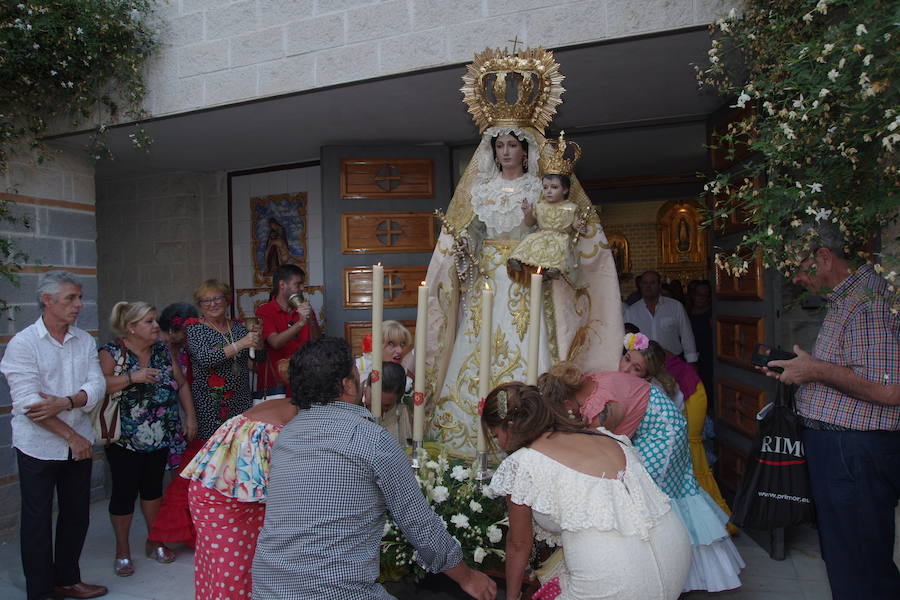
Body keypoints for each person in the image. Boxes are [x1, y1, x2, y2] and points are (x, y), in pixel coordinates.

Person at [425, 47, 623, 458]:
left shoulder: (543, 187)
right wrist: (462, 259)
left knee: (532, 344)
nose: (506, 152)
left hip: (529, 279)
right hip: (488, 281)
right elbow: (459, 242)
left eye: (513, 145)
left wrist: (549, 248)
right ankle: (474, 436)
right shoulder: (479, 191)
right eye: (500, 146)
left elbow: (569, 229)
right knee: (478, 344)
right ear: (491, 150)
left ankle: (535, 428)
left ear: (526, 149)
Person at [252, 337, 496, 600]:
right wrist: (467, 577)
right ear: (347, 385)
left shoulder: (286, 436)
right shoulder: (369, 439)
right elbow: (418, 522)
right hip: (338, 593)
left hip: (269, 588)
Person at [763, 225, 900, 599]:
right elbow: (852, 369)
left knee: (859, 563)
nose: (796, 277)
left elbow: (889, 390)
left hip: (855, 451)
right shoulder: (847, 300)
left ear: (825, 257)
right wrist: (799, 369)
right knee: (849, 557)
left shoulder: (868, 301)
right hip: (843, 449)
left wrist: (814, 370)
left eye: (801, 266)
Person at [483, 382, 691, 599]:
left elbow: (518, 544)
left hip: (617, 581)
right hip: (676, 557)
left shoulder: (522, 463)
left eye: (497, 436)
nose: (499, 444)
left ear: (511, 425)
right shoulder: (604, 436)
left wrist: (511, 597)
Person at [0, 270, 108, 600]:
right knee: (37, 519)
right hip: (39, 445)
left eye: (79, 297)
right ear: (48, 301)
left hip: (78, 440)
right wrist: (71, 435)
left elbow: (98, 385)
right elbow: (30, 404)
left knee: (76, 514)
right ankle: (40, 591)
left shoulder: (85, 340)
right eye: (71, 298)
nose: (79, 304)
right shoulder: (23, 344)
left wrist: (67, 401)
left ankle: (67, 579)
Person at [613, 338, 744, 592]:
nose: (627, 369)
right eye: (627, 359)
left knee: (659, 499)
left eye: (636, 368)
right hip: (658, 440)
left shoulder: (642, 390)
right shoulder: (630, 383)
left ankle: (673, 572)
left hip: (664, 443)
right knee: (667, 498)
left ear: (647, 375)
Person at [147, 279, 260, 549]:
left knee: (235, 460)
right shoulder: (194, 329)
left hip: (240, 399)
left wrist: (256, 343)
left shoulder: (238, 327)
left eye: (218, 298)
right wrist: (243, 343)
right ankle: (185, 529)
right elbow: (207, 359)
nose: (212, 305)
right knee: (204, 463)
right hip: (210, 402)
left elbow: (253, 360)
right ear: (199, 306)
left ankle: (230, 519)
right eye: (206, 301)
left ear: (227, 300)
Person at [99, 301, 195, 576]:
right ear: (131, 327)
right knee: (124, 493)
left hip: (161, 432)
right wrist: (133, 377)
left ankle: (155, 541)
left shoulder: (162, 350)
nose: (156, 326)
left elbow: (182, 383)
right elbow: (99, 384)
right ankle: (122, 550)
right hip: (125, 437)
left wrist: (190, 417)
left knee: (153, 491)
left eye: (155, 320)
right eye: (149, 322)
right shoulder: (112, 351)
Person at [181, 394, 298, 600]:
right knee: (231, 579)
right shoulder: (297, 418)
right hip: (221, 502)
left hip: (248, 501)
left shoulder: (295, 412)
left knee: (248, 579)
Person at [507, 132, 583, 285]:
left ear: (565, 190)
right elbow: (530, 223)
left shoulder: (571, 208)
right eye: (546, 187)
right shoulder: (540, 205)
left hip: (560, 237)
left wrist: (579, 226)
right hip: (542, 235)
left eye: (554, 187)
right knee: (530, 241)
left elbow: (575, 225)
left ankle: (554, 270)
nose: (548, 191)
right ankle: (518, 260)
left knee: (559, 250)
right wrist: (528, 212)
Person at [255, 264, 319, 397]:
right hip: (276, 385)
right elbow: (275, 343)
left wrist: (310, 319)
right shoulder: (264, 311)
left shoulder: (303, 309)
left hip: (305, 381)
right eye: (298, 284)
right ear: (282, 284)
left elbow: (316, 341)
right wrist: (300, 323)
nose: (302, 288)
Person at [357, 320, 414, 443]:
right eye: (392, 344)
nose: (399, 350)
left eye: (403, 344)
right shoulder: (361, 371)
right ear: (377, 344)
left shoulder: (407, 375)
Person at [623, 270, 698, 365]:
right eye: (645, 283)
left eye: (652, 283)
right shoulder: (631, 312)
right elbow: (625, 341)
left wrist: (692, 361)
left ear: (659, 285)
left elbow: (687, 336)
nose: (648, 286)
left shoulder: (675, 307)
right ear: (640, 285)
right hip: (644, 365)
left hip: (672, 362)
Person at [362, 361, 411, 446]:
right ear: (368, 387)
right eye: (376, 401)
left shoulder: (401, 410)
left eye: (385, 405)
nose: (378, 409)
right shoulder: (352, 401)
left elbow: (406, 449)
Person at [686, 280, 714, 403]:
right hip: (690, 355)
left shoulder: (713, 315)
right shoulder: (686, 312)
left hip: (708, 355)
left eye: (704, 296)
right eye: (698, 294)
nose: (700, 298)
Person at [158, 302, 199, 376]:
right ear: (172, 329)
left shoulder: (185, 344)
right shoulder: (156, 345)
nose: (190, 334)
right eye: (186, 331)